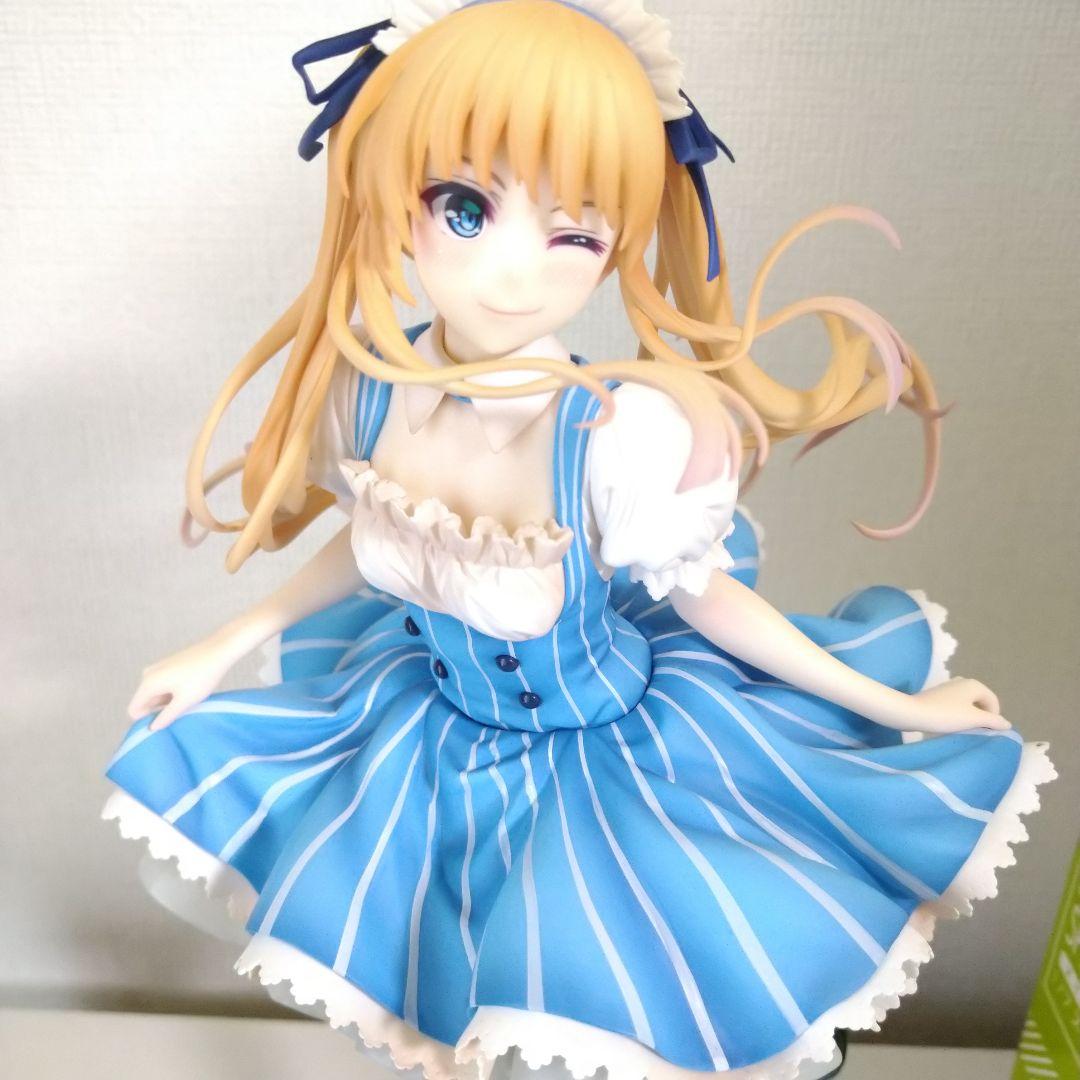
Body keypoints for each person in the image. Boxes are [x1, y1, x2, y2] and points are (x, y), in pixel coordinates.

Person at [103, 2, 1055, 1077]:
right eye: (464, 206)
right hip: (433, 743)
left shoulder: (614, 435)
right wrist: (222, 644)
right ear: (393, 192)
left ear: (616, 250)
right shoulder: (365, 393)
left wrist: (897, 708)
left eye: (574, 236)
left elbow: (716, 606)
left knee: (637, 987)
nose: (514, 274)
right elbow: (371, 548)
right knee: (449, 987)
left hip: (617, 760)